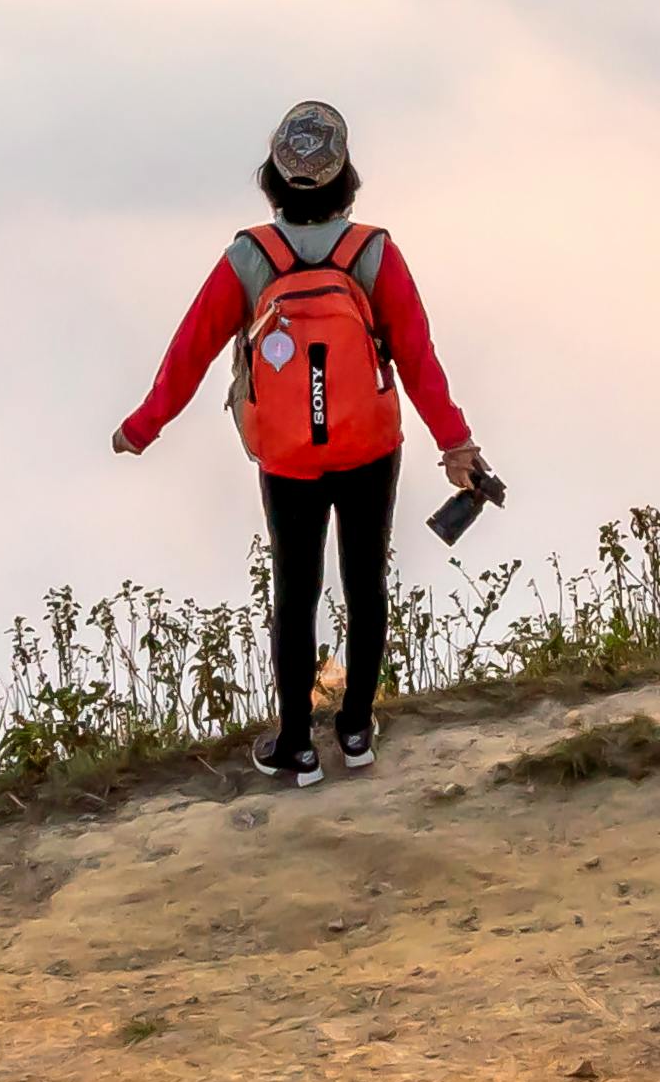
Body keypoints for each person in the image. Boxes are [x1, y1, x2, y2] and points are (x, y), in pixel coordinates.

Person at [109, 99, 491, 783]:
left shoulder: (249, 258)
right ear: (347, 181)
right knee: (365, 581)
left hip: (286, 456)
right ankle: (354, 731)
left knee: (295, 590)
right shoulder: (372, 253)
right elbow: (417, 358)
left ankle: (296, 743)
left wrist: (143, 425)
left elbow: (190, 351)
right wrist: (455, 443)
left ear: (271, 180)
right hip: (371, 444)